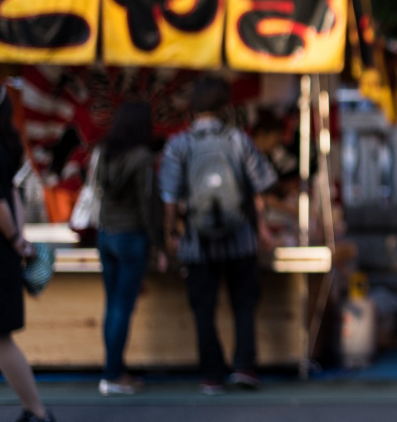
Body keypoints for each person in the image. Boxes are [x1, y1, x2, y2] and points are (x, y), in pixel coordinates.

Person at [160, 75, 278, 396]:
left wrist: (172, 233)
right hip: (240, 238)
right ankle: (244, 367)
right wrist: (263, 230)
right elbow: (259, 191)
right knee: (243, 304)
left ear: (193, 108)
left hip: (197, 242)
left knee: (203, 308)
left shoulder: (179, 145)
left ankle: (211, 374)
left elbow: (170, 198)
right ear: (225, 106)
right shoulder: (239, 140)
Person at [0, 73, 60, 422]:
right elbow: (12, 198)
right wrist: (18, 240)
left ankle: (39, 415)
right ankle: (38, 414)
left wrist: (13, 238)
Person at [94, 101, 165, 397]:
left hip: (105, 234)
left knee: (112, 306)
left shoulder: (103, 153)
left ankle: (113, 370)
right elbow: (148, 206)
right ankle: (114, 374)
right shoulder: (142, 158)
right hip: (131, 237)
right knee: (123, 307)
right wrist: (159, 244)